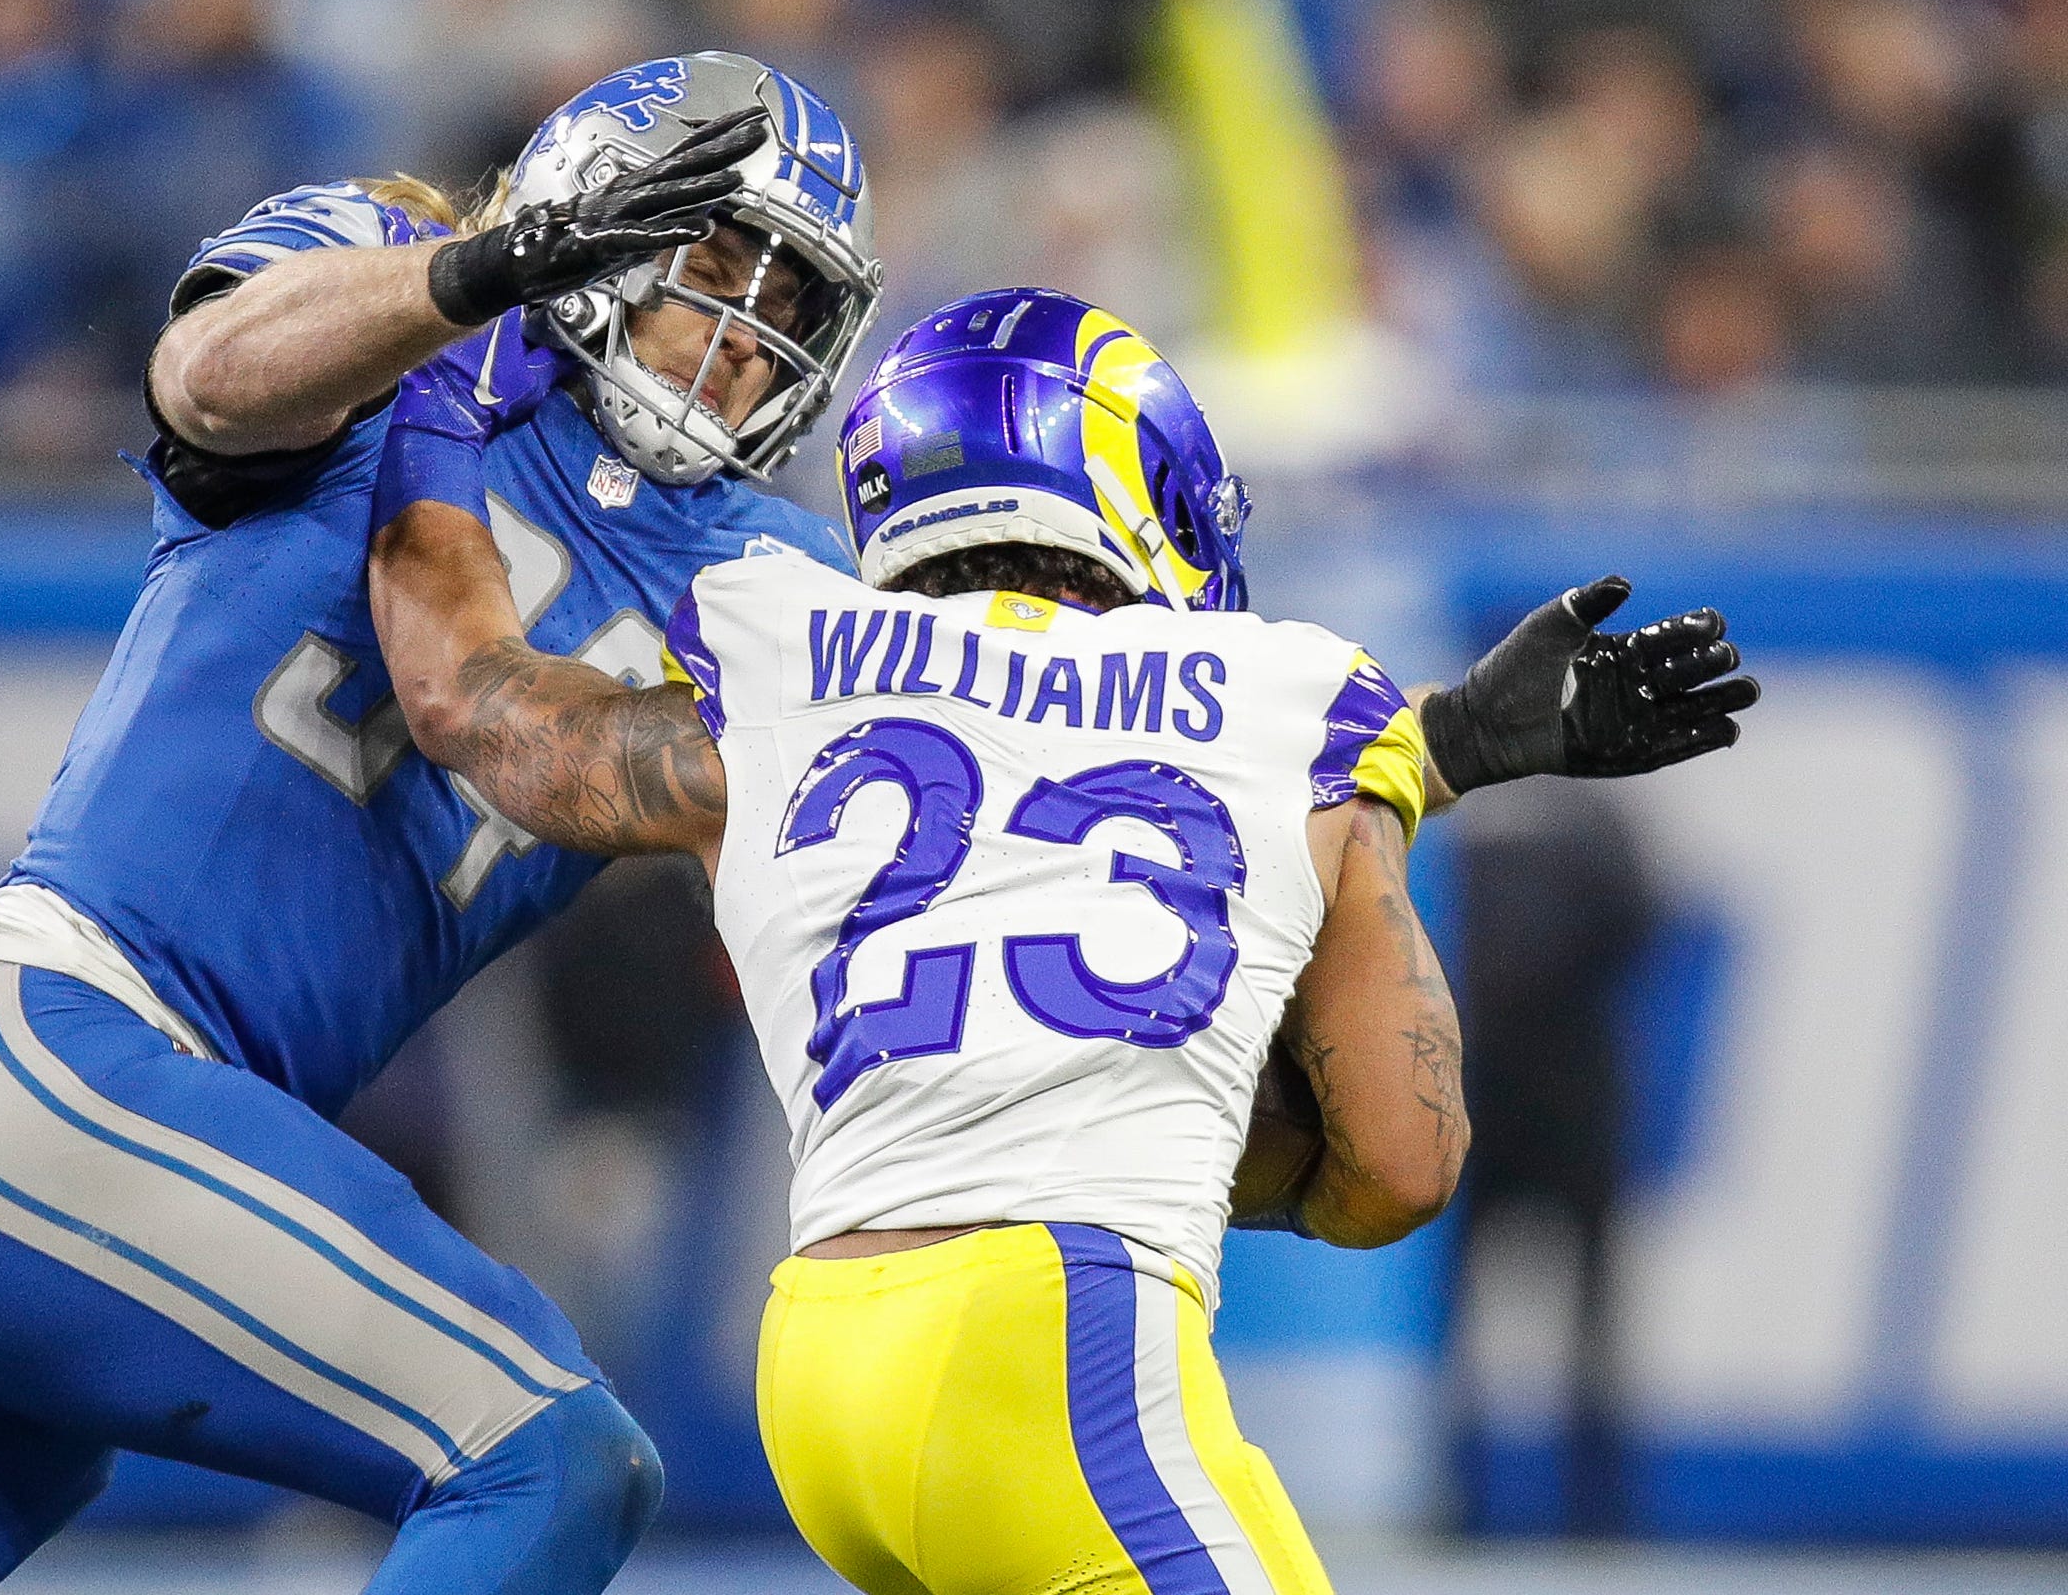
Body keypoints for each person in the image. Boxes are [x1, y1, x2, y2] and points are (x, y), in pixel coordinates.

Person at [0, 52, 884, 1595]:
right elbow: (207, 378)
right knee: (548, 1454)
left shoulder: (778, 581)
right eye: (710, 271)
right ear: (602, 223)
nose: (739, 343)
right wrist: (474, 272)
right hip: (56, 1053)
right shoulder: (401, 297)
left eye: (786, 305)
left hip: (81, 1160)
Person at [372, 286, 1758, 1595]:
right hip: (1052, 1343)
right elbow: (1402, 1163)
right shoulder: (1298, 704)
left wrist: (422, 420)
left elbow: (478, 714)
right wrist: (1405, 774)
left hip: (820, 1361)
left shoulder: (778, 648)